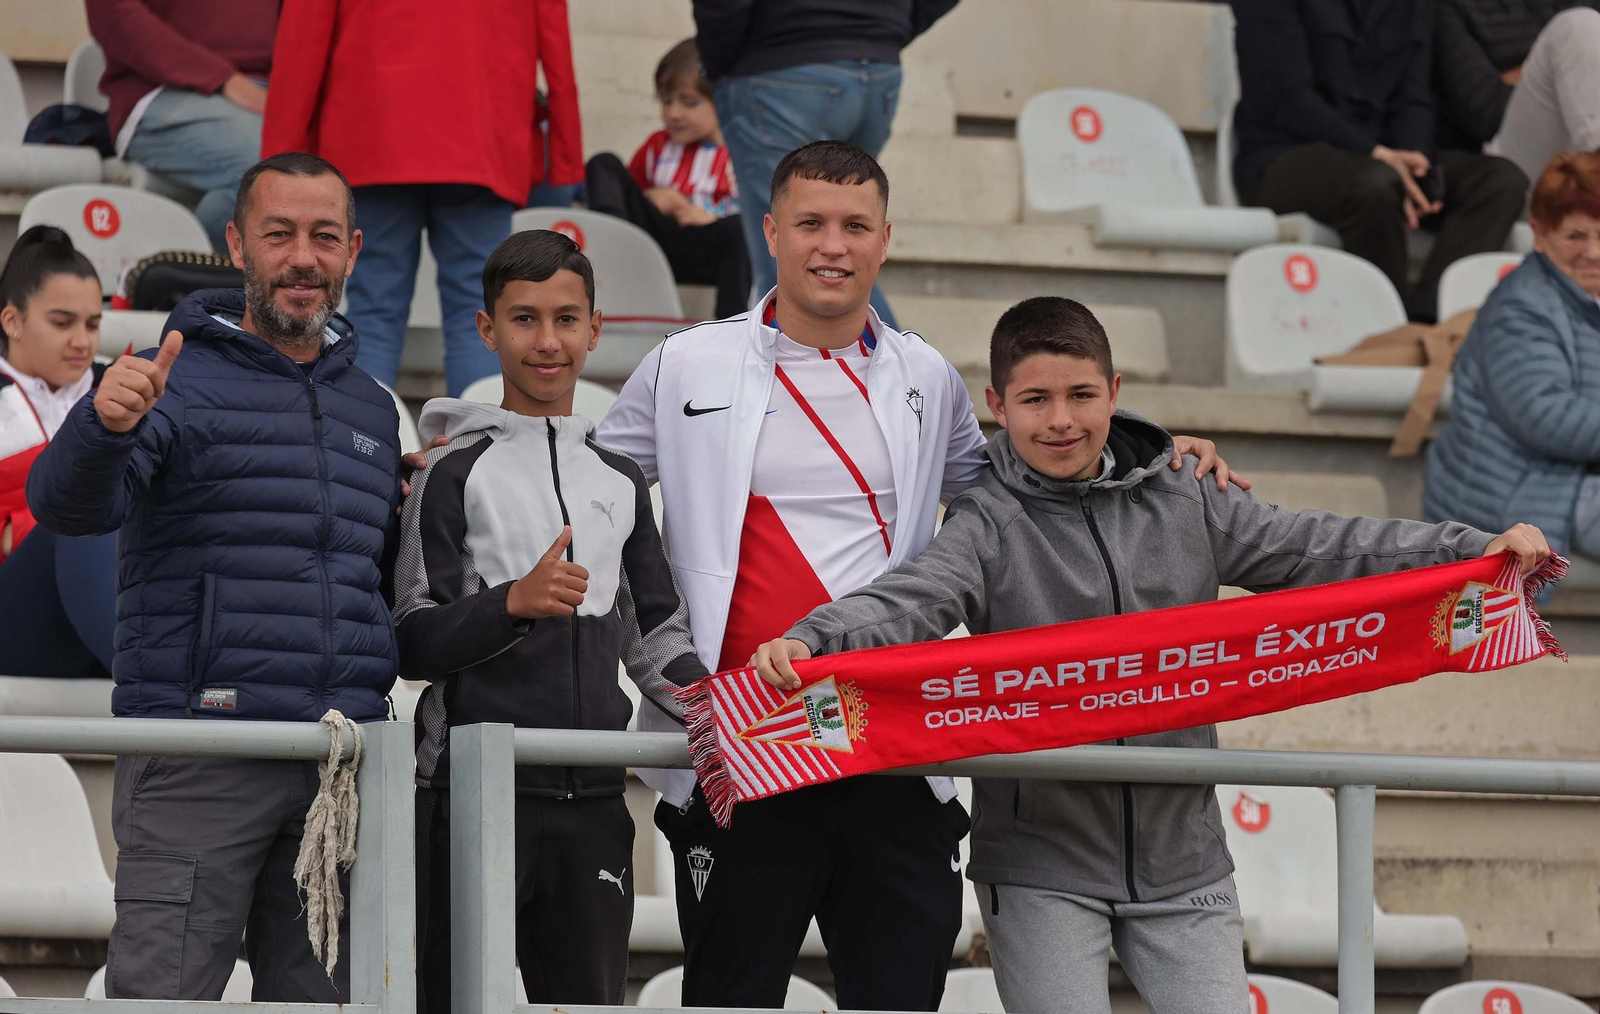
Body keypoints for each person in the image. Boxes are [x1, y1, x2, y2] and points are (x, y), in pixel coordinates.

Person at [750, 295, 1551, 1014]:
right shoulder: (985, 519)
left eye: (1081, 396)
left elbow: (1322, 547)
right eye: (1035, 400)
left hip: (1188, 863)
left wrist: (1471, 550)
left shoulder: (1187, 489)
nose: (1060, 419)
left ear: (1115, 392)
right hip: (1040, 866)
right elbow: (913, 597)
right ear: (996, 405)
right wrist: (816, 637)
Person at [597, 140, 1243, 1010]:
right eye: (812, 223)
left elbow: (1029, 484)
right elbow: (595, 487)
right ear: (771, 231)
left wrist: (1155, 454)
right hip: (744, 743)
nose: (834, 245)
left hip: (890, 745)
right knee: (730, 998)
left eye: (856, 225)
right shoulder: (686, 362)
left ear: (886, 238)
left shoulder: (926, 375)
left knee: (901, 997)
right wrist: (467, 451)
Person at [25, 152, 400, 1002]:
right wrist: (102, 425)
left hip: (333, 768)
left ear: (353, 252)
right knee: (166, 1000)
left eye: (323, 236)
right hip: (200, 749)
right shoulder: (171, 376)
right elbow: (69, 508)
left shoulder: (371, 407)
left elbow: (370, 587)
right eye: (279, 234)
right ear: (237, 244)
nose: (302, 257)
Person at [394, 229, 709, 1011]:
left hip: (596, 806)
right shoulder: (449, 472)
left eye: (567, 319)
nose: (547, 341)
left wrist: (727, 718)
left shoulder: (621, 479)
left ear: (596, 329)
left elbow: (657, 641)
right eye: (525, 319)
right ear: (486, 329)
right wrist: (511, 604)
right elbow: (410, 639)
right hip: (468, 797)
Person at [262, 0, 583, 397]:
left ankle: (356, 448)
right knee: (481, 310)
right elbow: (554, 35)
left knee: (375, 308)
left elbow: (301, 42)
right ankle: (486, 452)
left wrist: (282, 158)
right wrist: (565, 152)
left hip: (372, 131)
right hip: (481, 130)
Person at [1231, 0, 1530, 322]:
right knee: (1374, 185)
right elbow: (1287, 101)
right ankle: (1386, 329)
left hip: (1383, 159)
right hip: (1285, 155)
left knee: (1500, 181)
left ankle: (1427, 326)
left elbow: (1413, 97)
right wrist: (1376, 153)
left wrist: (1415, 161)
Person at [691, 0, 961, 327]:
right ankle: (894, 372)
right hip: (874, 73)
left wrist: (719, 60)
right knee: (835, 250)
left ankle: (905, 374)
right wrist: (882, 31)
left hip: (780, 69)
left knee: (789, 263)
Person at [1426, 153, 1600, 565]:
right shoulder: (1521, 306)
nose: (1593, 252)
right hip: (1523, 498)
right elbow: (1548, 420)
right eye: (1575, 236)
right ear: (1539, 234)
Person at [0, 226, 116, 679]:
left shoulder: (120, 387)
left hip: (115, 606)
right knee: (78, 514)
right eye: (62, 323)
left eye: (92, 324)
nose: (83, 341)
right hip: (15, 620)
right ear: (12, 321)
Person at [86, 0, 276, 253]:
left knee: (318, 172)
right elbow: (113, 13)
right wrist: (221, 78)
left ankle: (184, 272)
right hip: (161, 91)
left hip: (270, 91)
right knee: (277, 169)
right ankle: (182, 277)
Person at [585, 39, 751, 319]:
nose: (674, 113)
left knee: (741, 230)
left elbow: (769, 216)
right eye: (666, 101)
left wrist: (711, 220)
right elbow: (628, 192)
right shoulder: (658, 145)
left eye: (688, 102)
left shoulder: (745, 153)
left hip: (708, 247)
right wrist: (651, 196)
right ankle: (608, 245)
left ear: (722, 99)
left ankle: (731, 326)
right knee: (604, 163)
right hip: (651, 244)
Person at [1434, 1, 1600, 186]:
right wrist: (1549, 68)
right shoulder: (1447, 7)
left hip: (1579, 149)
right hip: (1509, 163)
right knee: (1577, 27)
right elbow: (1488, 114)